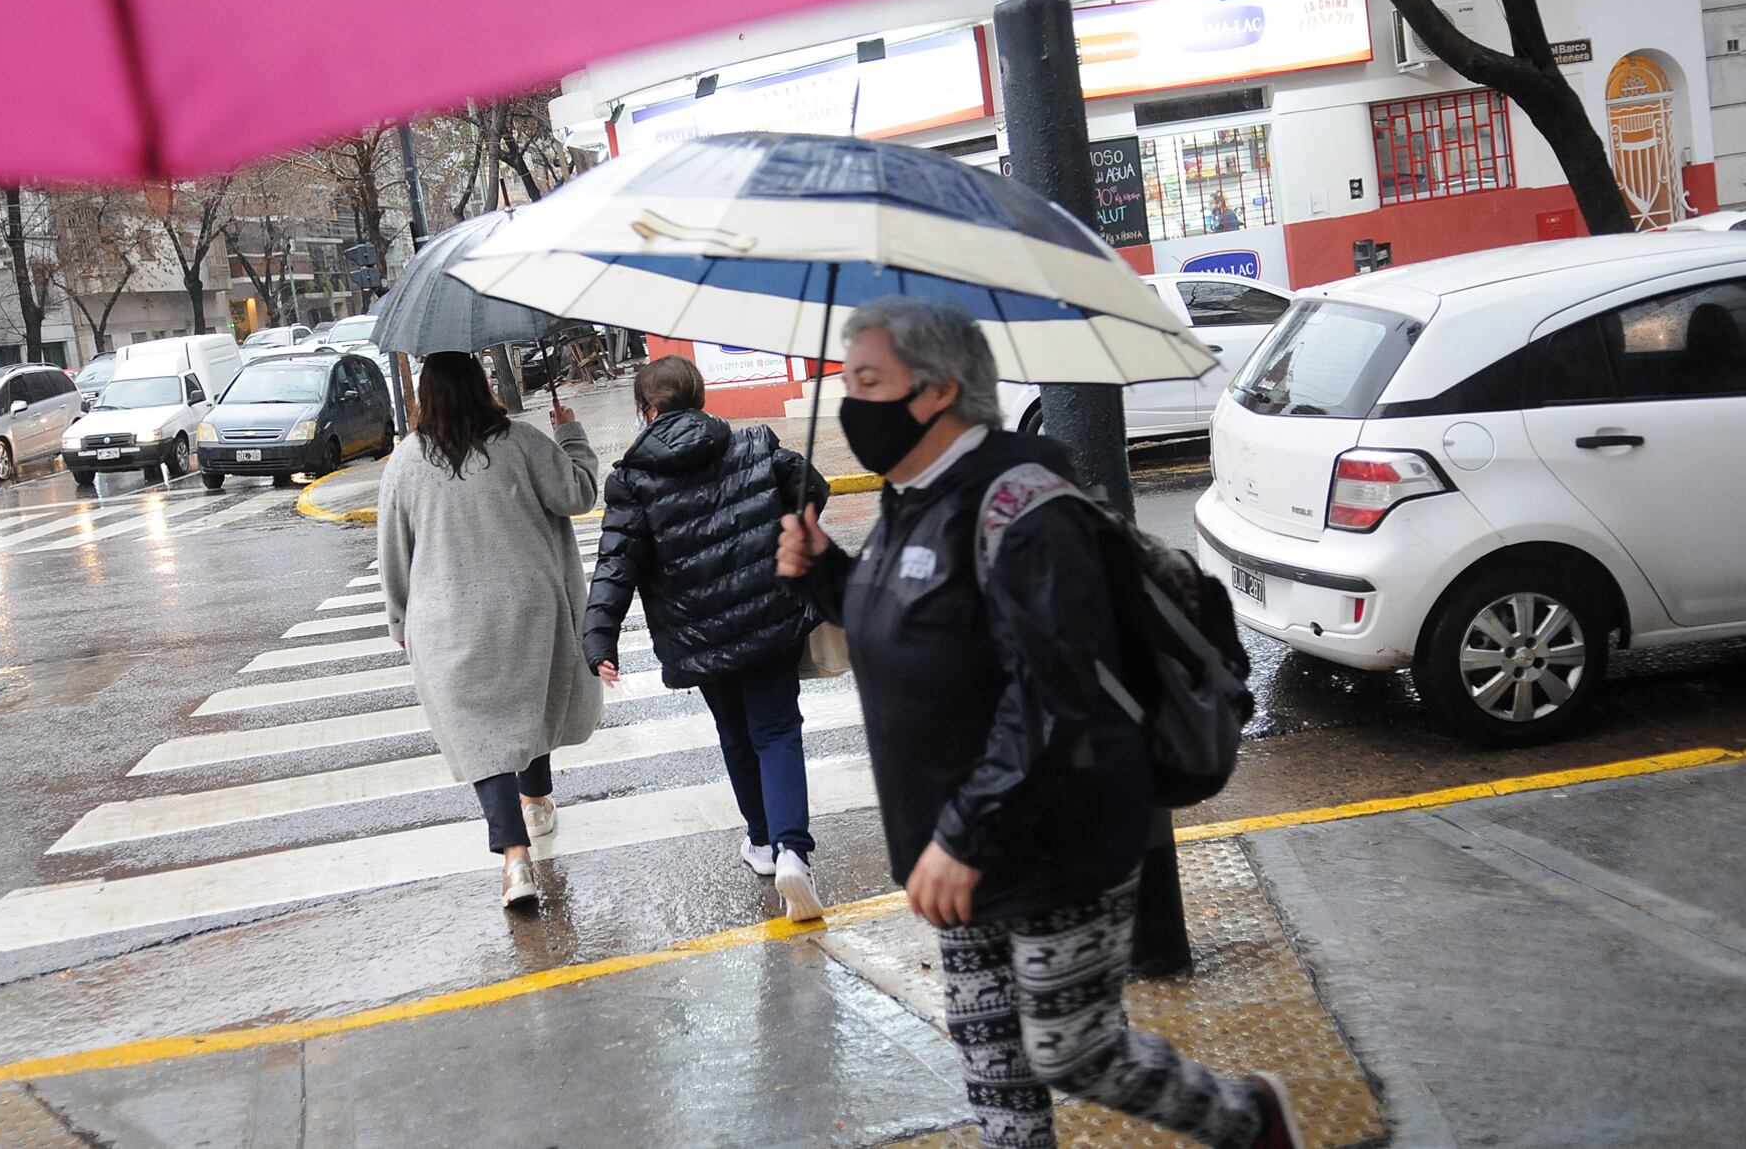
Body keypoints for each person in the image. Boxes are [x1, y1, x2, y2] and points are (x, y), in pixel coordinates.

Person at [776, 298, 1302, 1149]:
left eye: (867, 379)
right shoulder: (912, 494)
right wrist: (825, 573)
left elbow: (1057, 695)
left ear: (939, 389)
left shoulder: (1025, 507)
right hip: (959, 836)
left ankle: (1249, 1119)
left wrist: (968, 835)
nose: (849, 398)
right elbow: (914, 626)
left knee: (1070, 1047)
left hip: (1057, 833)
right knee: (992, 1055)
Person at [584, 356, 832, 920]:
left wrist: (600, 639)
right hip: (770, 615)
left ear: (645, 411)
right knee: (776, 730)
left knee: (735, 732)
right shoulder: (753, 443)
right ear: (699, 397)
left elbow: (615, 566)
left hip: (697, 633)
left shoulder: (631, 480)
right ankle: (795, 851)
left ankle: (763, 842)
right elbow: (811, 491)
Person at [377, 350, 602, 910]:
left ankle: (514, 860)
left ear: (424, 397)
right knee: (529, 702)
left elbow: (393, 554)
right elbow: (577, 494)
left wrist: (401, 619)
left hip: (446, 619)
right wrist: (571, 437)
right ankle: (537, 800)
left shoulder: (405, 463)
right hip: (529, 607)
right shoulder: (522, 443)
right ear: (483, 386)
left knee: (484, 735)